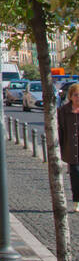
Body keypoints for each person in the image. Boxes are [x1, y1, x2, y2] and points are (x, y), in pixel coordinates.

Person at [57, 83, 79, 213]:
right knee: (75, 176)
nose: (78, 98)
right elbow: (60, 130)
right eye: (75, 95)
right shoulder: (64, 111)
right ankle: (77, 200)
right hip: (72, 150)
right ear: (70, 96)